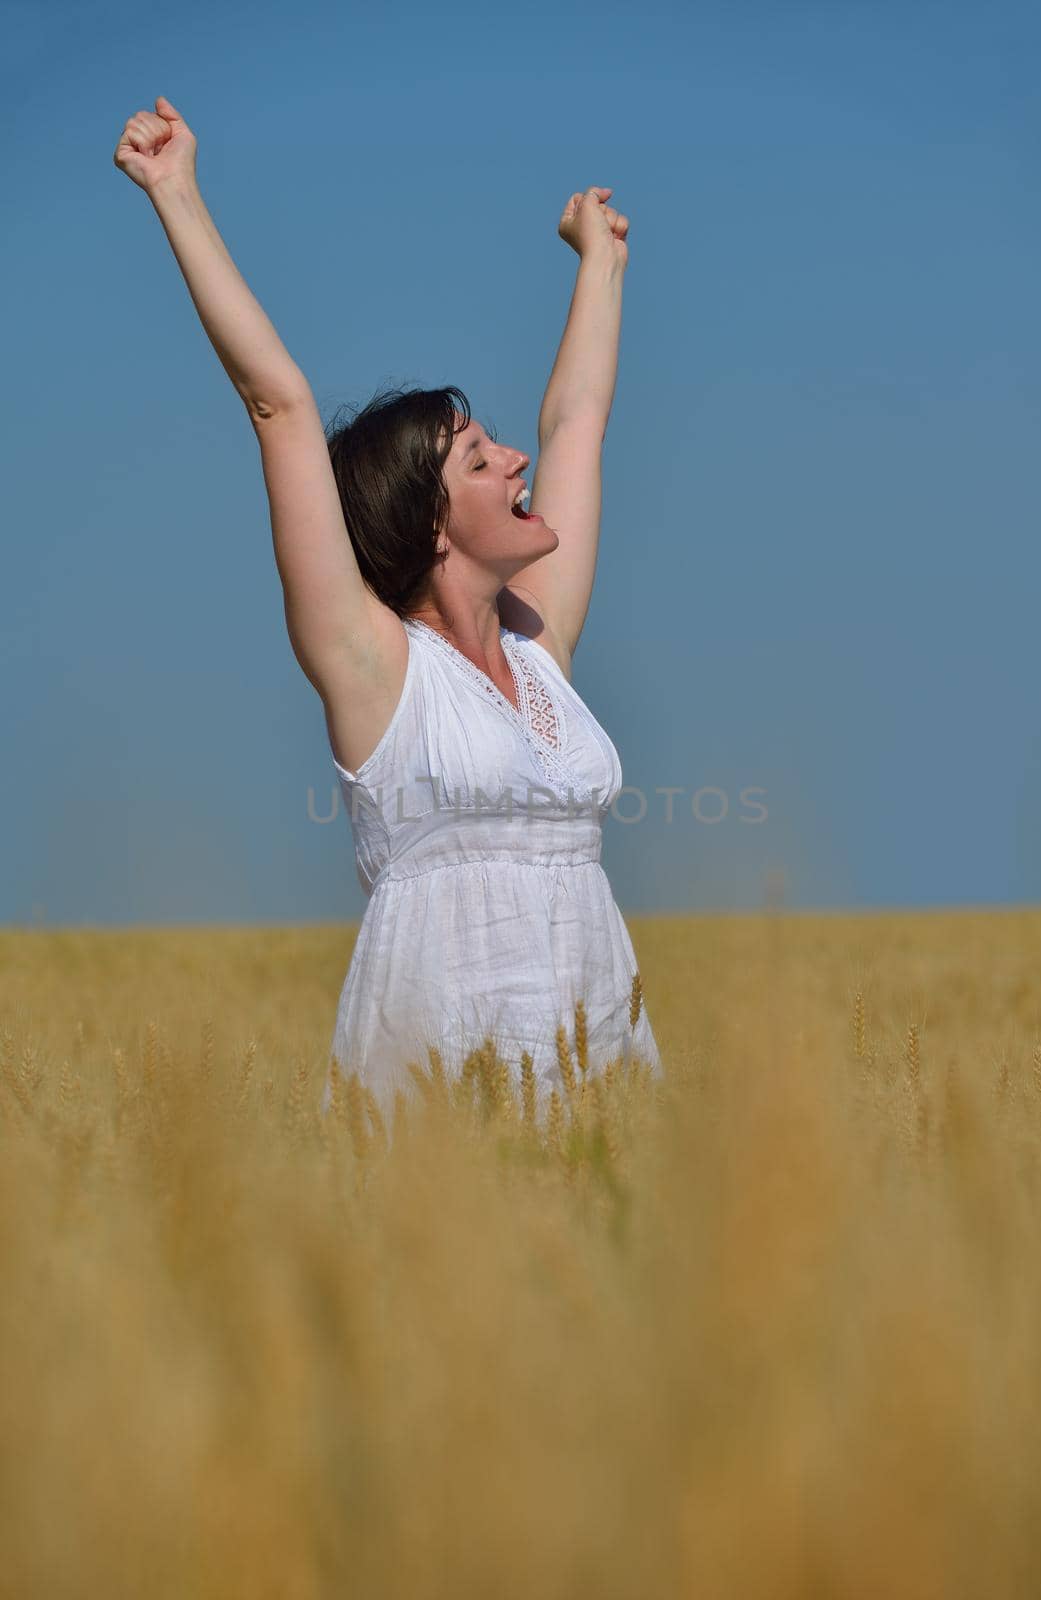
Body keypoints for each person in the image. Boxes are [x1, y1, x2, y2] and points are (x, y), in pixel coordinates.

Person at [113, 95, 663, 1123]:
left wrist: (601, 263)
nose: (516, 458)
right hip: (437, 1100)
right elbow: (276, 402)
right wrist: (174, 191)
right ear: (432, 521)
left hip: (601, 1072)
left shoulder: (544, 645)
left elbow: (578, 419)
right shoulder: (374, 670)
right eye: (479, 456)